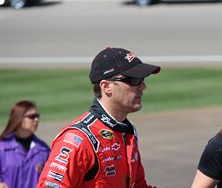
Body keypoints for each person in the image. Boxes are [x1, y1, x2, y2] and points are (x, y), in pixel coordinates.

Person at [37, 47, 160, 188]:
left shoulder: (127, 131)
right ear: (106, 86)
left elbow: (138, 185)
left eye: (142, 80)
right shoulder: (78, 140)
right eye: (134, 80)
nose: (143, 86)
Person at [0, 100, 50, 188]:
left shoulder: (44, 150)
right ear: (19, 118)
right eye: (32, 116)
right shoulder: (2, 147)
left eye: (37, 116)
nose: (36, 120)